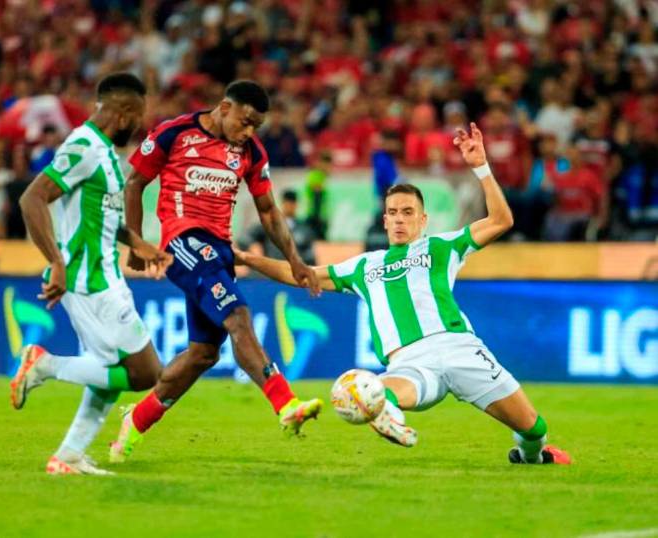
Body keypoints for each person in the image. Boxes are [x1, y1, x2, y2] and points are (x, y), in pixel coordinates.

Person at [235, 123, 572, 465]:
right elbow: (302, 275)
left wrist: (481, 167)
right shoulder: (364, 266)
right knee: (380, 393)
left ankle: (532, 455)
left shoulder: (442, 247)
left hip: (460, 349)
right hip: (410, 361)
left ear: (423, 219)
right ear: (383, 221)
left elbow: (501, 220)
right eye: (393, 213)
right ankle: (385, 415)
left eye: (407, 213)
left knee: (534, 428)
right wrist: (247, 258)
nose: (399, 220)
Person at [110, 80, 323, 462]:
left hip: (219, 250)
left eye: (256, 126)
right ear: (225, 108)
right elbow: (135, 183)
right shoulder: (174, 133)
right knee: (238, 316)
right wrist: (138, 243)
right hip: (183, 242)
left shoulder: (250, 151)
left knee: (204, 353)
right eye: (245, 122)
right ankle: (284, 402)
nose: (249, 132)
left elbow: (269, 211)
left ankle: (135, 421)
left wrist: (295, 260)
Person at [9, 72, 174, 475]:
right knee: (145, 372)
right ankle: (44, 365)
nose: (139, 127)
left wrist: (135, 241)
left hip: (104, 274)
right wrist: (57, 262)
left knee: (112, 371)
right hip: (89, 279)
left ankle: (68, 456)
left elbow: (102, 213)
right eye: (138, 118)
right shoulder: (83, 146)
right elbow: (33, 198)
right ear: (123, 113)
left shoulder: (104, 153)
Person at [242, 189, 315, 265]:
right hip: (270, 269)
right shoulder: (271, 224)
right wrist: (254, 247)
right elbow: (244, 238)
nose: (289, 207)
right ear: (282, 203)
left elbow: (310, 256)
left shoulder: (304, 229)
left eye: (292, 204)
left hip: (293, 272)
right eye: (287, 203)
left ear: (296, 205)